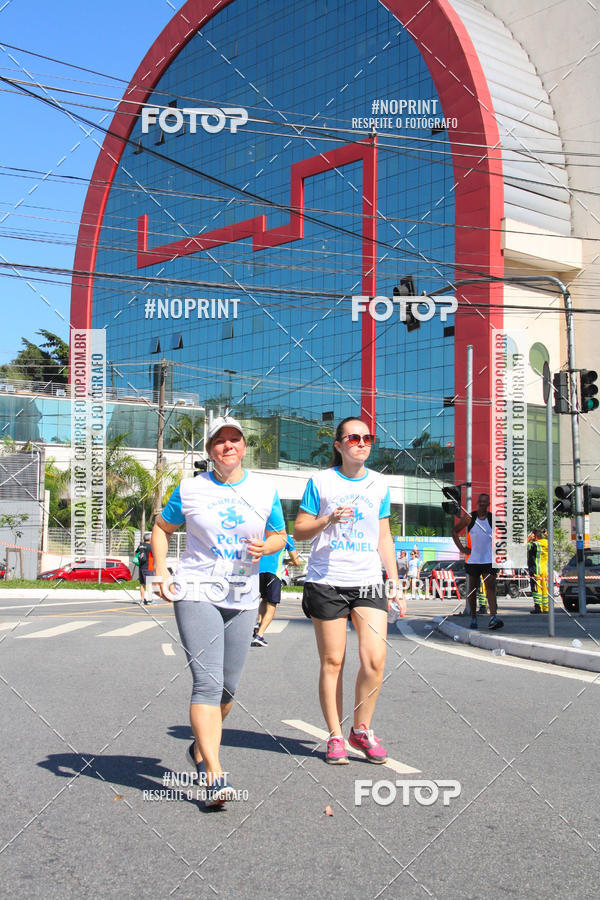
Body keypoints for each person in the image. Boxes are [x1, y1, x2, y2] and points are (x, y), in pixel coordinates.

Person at [152, 416, 286, 806]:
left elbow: (280, 534)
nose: (228, 446)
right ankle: (213, 774)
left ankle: (198, 748)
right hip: (197, 589)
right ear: (210, 450)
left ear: (244, 447)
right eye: (220, 441)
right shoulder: (191, 489)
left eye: (235, 440)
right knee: (207, 683)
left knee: (229, 687)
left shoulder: (264, 490)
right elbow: (162, 528)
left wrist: (269, 547)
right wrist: (160, 571)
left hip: (242, 594)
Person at [294, 416, 403, 765]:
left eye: (367, 437)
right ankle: (336, 735)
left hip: (369, 580)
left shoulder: (379, 484)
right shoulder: (321, 482)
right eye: (353, 438)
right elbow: (299, 530)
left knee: (375, 659)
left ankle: (362, 729)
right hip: (327, 580)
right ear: (339, 445)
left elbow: (383, 536)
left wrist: (395, 580)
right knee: (333, 660)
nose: (361, 443)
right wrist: (327, 520)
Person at [452, 492, 504, 630]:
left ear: (488, 504)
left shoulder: (493, 518)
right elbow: (454, 531)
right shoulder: (469, 517)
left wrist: (501, 550)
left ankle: (493, 617)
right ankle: (474, 617)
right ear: (477, 503)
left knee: (490, 586)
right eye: (479, 501)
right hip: (473, 560)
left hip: (488, 560)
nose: (481, 504)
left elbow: (506, 533)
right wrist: (462, 548)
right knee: (472, 589)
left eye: (484, 502)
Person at [252, 534, 301, 647]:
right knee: (272, 605)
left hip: (258, 572)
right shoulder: (285, 537)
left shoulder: (261, 535)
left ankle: (259, 623)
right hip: (274, 573)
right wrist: (286, 561)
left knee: (264, 599)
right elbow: (297, 562)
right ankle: (259, 636)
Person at [527, 528, 549, 613]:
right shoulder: (547, 542)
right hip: (544, 570)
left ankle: (538, 607)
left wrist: (528, 538)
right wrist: (547, 535)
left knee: (536, 589)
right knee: (544, 589)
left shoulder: (535, 544)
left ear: (535, 536)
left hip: (535, 570)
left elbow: (522, 547)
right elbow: (553, 542)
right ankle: (546, 608)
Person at [134, 532, 154, 604]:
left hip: (141, 567)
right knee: (149, 584)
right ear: (150, 539)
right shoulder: (150, 546)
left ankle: (142, 600)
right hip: (148, 567)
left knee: (142, 584)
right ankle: (150, 600)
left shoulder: (140, 546)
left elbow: (136, 554)